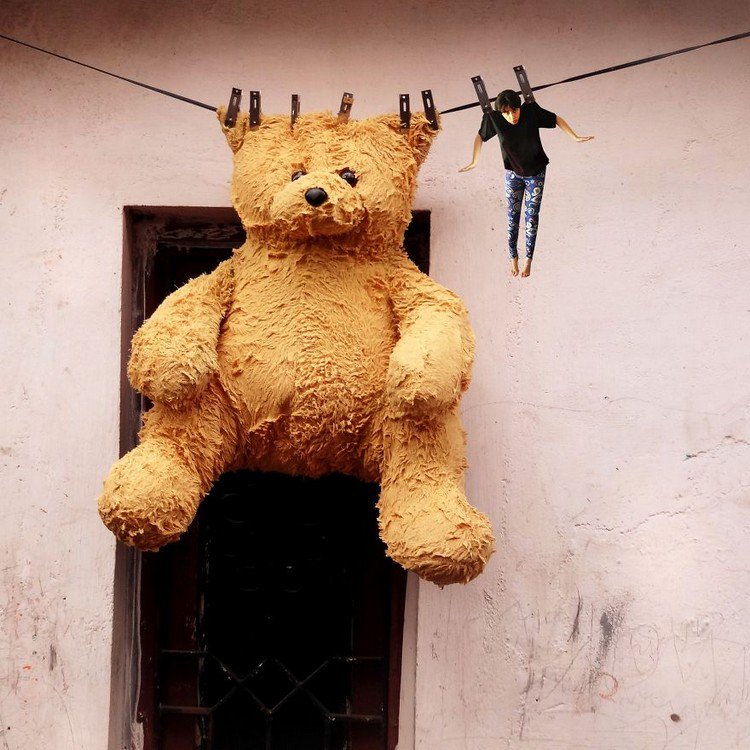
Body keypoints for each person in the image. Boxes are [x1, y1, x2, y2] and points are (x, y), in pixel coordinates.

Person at [459, 90, 593, 277]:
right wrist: (474, 161)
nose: (511, 116)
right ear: (501, 112)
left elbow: (555, 119)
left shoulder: (530, 112)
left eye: (514, 111)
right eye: (506, 112)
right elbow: (480, 137)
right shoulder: (494, 119)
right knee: (512, 218)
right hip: (513, 175)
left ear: (519, 107)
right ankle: (513, 258)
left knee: (531, 218)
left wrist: (575, 137)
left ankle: (528, 260)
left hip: (535, 174)